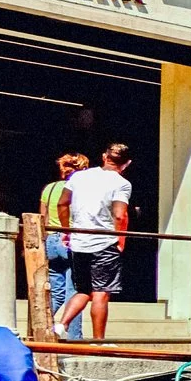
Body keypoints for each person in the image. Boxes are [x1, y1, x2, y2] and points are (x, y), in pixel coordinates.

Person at [54, 143, 132, 341]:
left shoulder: (78, 177)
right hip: (104, 242)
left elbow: (62, 203)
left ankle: (61, 325)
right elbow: (120, 215)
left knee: (83, 290)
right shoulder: (122, 183)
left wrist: (67, 230)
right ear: (126, 164)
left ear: (104, 156)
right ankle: (98, 342)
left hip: (79, 241)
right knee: (101, 293)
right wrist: (120, 240)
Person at [38, 152, 87, 339]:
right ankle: (74, 338)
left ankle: (41, 329)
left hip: (51, 240)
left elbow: (43, 218)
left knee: (56, 292)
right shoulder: (78, 189)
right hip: (70, 239)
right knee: (74, 291)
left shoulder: (49, 188)